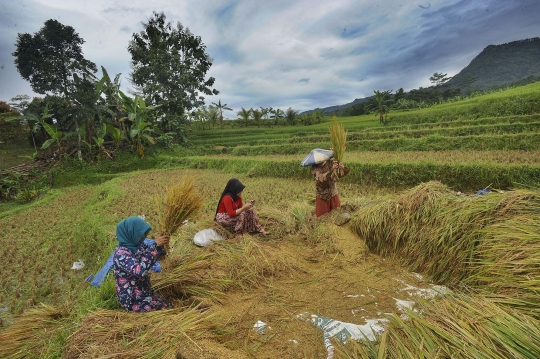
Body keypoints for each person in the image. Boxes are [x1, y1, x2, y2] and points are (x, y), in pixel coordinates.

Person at [113, 216, 173, 312]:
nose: (143, 237)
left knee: (167, 302)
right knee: (166, 308)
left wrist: (162, 246)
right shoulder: (121, 254)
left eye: (144, 235)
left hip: (142, 291)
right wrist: (155, 247)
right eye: (141, 234)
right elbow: (140, 271)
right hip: (132, 298)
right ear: (131, 233)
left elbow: (149, 254)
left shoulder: (138, 245)